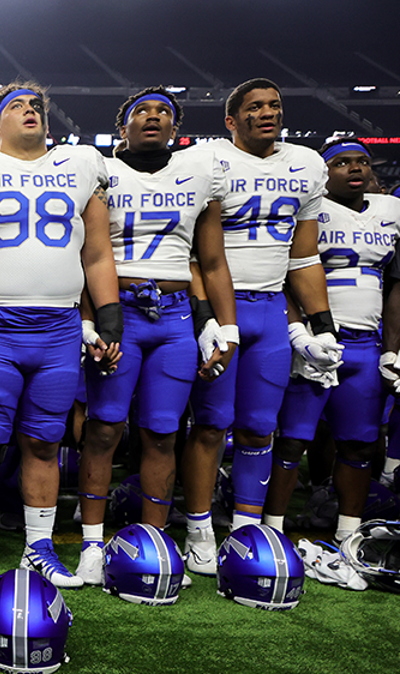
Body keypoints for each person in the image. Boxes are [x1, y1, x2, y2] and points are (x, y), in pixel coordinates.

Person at [0, 82, 120, 588]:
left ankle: (38, 548)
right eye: (15, 107)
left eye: (36, 106)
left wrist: (108, 315)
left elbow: (96, 253)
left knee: (45, 442)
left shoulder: (80, 164)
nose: (29, 112)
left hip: (59, 327)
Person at [73, 87, 237, 584]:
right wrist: (89, 319)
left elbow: (209, 261)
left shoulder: (199, 174)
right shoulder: (100, 171)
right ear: (122, 125)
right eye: (141, 110)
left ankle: (155, 541)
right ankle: (92, 545)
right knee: (104, 429)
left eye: (163, 111)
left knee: (164, 432)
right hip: (116, 310)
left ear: (175, 126)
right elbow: (86, 254)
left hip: (174, 317)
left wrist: (218, 324)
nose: (152, 117)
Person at [180, 79, 335, 574]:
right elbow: (191, 251)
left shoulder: (306, 164)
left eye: (274, 105)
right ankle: (199, 529)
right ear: (231, 120)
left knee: (258, 429)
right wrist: (206, 317)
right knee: (210, 425)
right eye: (254, 107)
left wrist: (322, 326)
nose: (267, 113)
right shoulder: (208, 161)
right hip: (220, 306)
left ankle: (246, 531)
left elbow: (304, 256)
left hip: (270, 307)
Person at [267, 137, 399, 542]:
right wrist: (298, 333)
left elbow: (396, 284)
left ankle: (349, 534)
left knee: (360, 444)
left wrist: (392, 347)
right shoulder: (310, 213)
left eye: (362, 161)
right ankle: (272, 528)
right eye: (342, 162)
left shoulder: (390, 210)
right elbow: (284, 277)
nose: (355, 168)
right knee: (292, 442)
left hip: (365, 343)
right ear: (324, 174)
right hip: (316, 343)